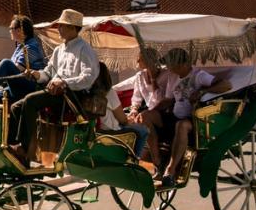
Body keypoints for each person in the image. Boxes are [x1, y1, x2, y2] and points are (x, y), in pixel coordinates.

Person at [10, 9, 100, 165]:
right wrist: (36, 74)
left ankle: (27, 151)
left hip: (73, 98)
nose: (58, 29)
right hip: (55, 93)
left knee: (30, 101)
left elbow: (88, 78)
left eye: (62, 26)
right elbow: (48, 72)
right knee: (16, 106)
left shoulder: (84, 49)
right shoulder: (59, 50)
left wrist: (64, 82)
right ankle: (12, 146)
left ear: (73, 28)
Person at [150, 48, 231, 187]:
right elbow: (169, 100)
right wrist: (150, 111)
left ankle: (171, 169)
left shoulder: (199, 75)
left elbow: (226, 85)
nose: (168, 67)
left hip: (194, 120)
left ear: (181, 64)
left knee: (181, 125)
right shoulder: (173, 76)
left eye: (171, 64)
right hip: (175, 115)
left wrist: (203, 91)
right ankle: (157, 161)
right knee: (146, 116)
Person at [98, 65, 150, 162]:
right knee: (143, 130)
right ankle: (134, 159)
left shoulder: (88, 92)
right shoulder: (109, 92)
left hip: (98, 128)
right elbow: (122, 120)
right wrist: (129, 120)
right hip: (110, 129)